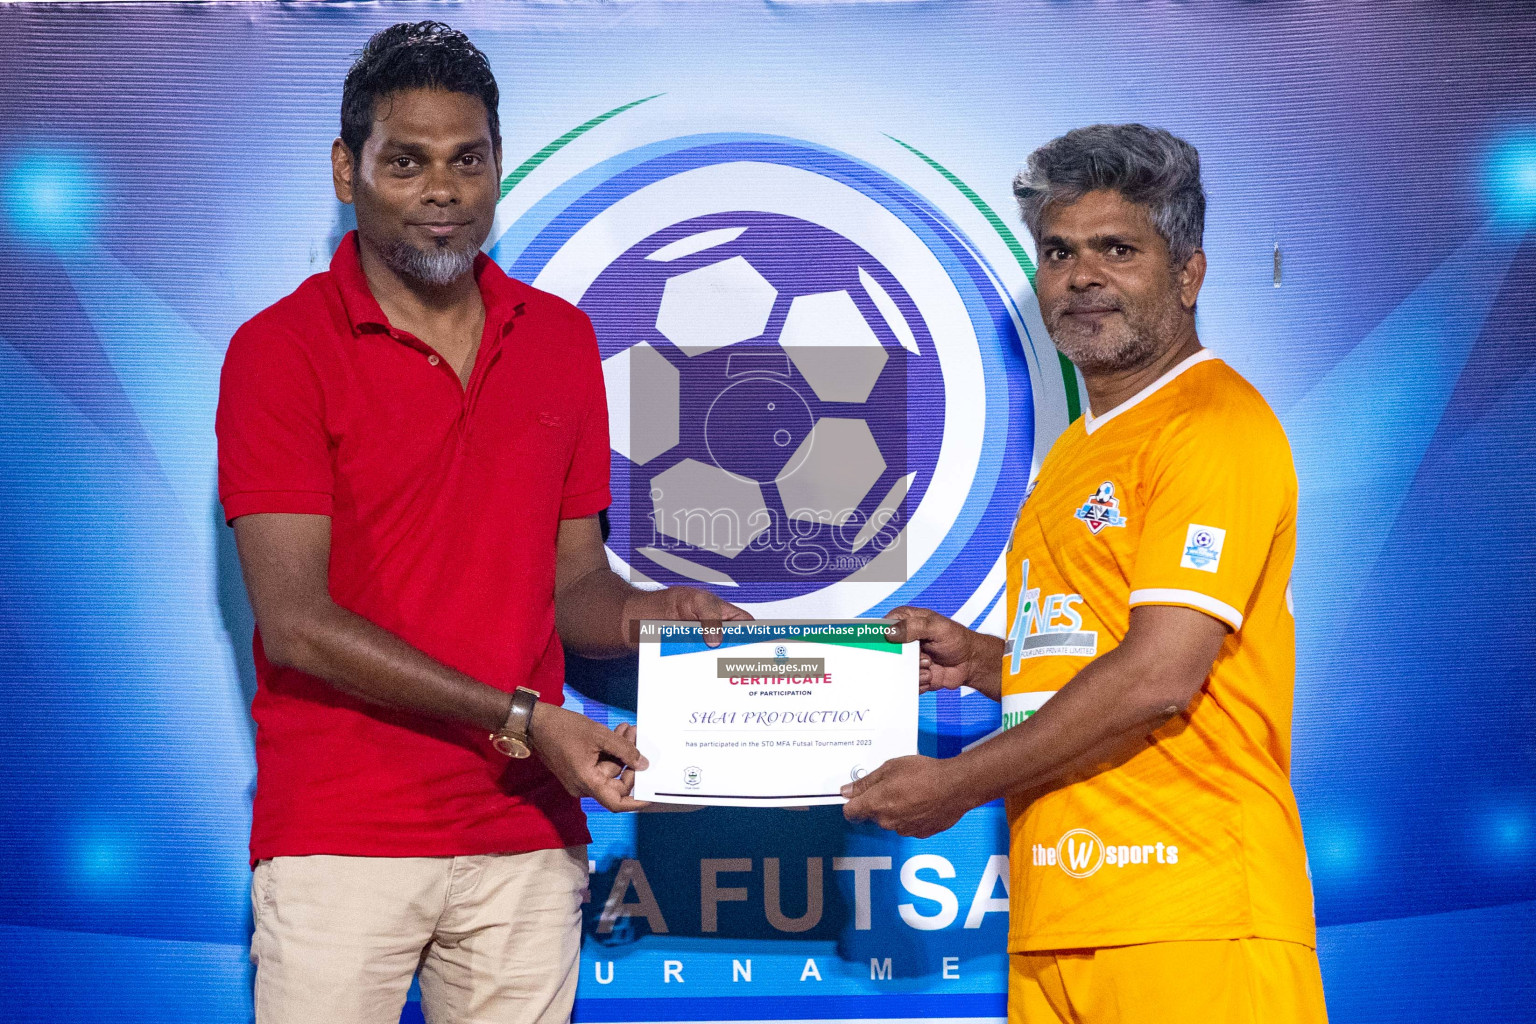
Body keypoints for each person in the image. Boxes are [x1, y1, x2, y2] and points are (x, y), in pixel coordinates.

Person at [215, 22, 744, 1024]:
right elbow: (297, 622)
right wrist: (522, 718)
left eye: (468, 160)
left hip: (526, 837)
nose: (443, 191)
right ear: (346, 169)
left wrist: (659, 616)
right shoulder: (278, 351)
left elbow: (575, 585)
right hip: (343, 836)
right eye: (405, 162)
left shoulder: (559, 339)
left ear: (499, 165)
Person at [842, 124, 1327, 1023]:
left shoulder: (1213, 423)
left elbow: (1160, 674)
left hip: (1190, 913)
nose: (1081, 275)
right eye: (1059, 252)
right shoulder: (1076, 450)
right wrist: (987, 662)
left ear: (1188, 274)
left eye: (1117, 249)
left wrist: (957, 782)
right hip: (1060, 911)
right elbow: (1100, 647)